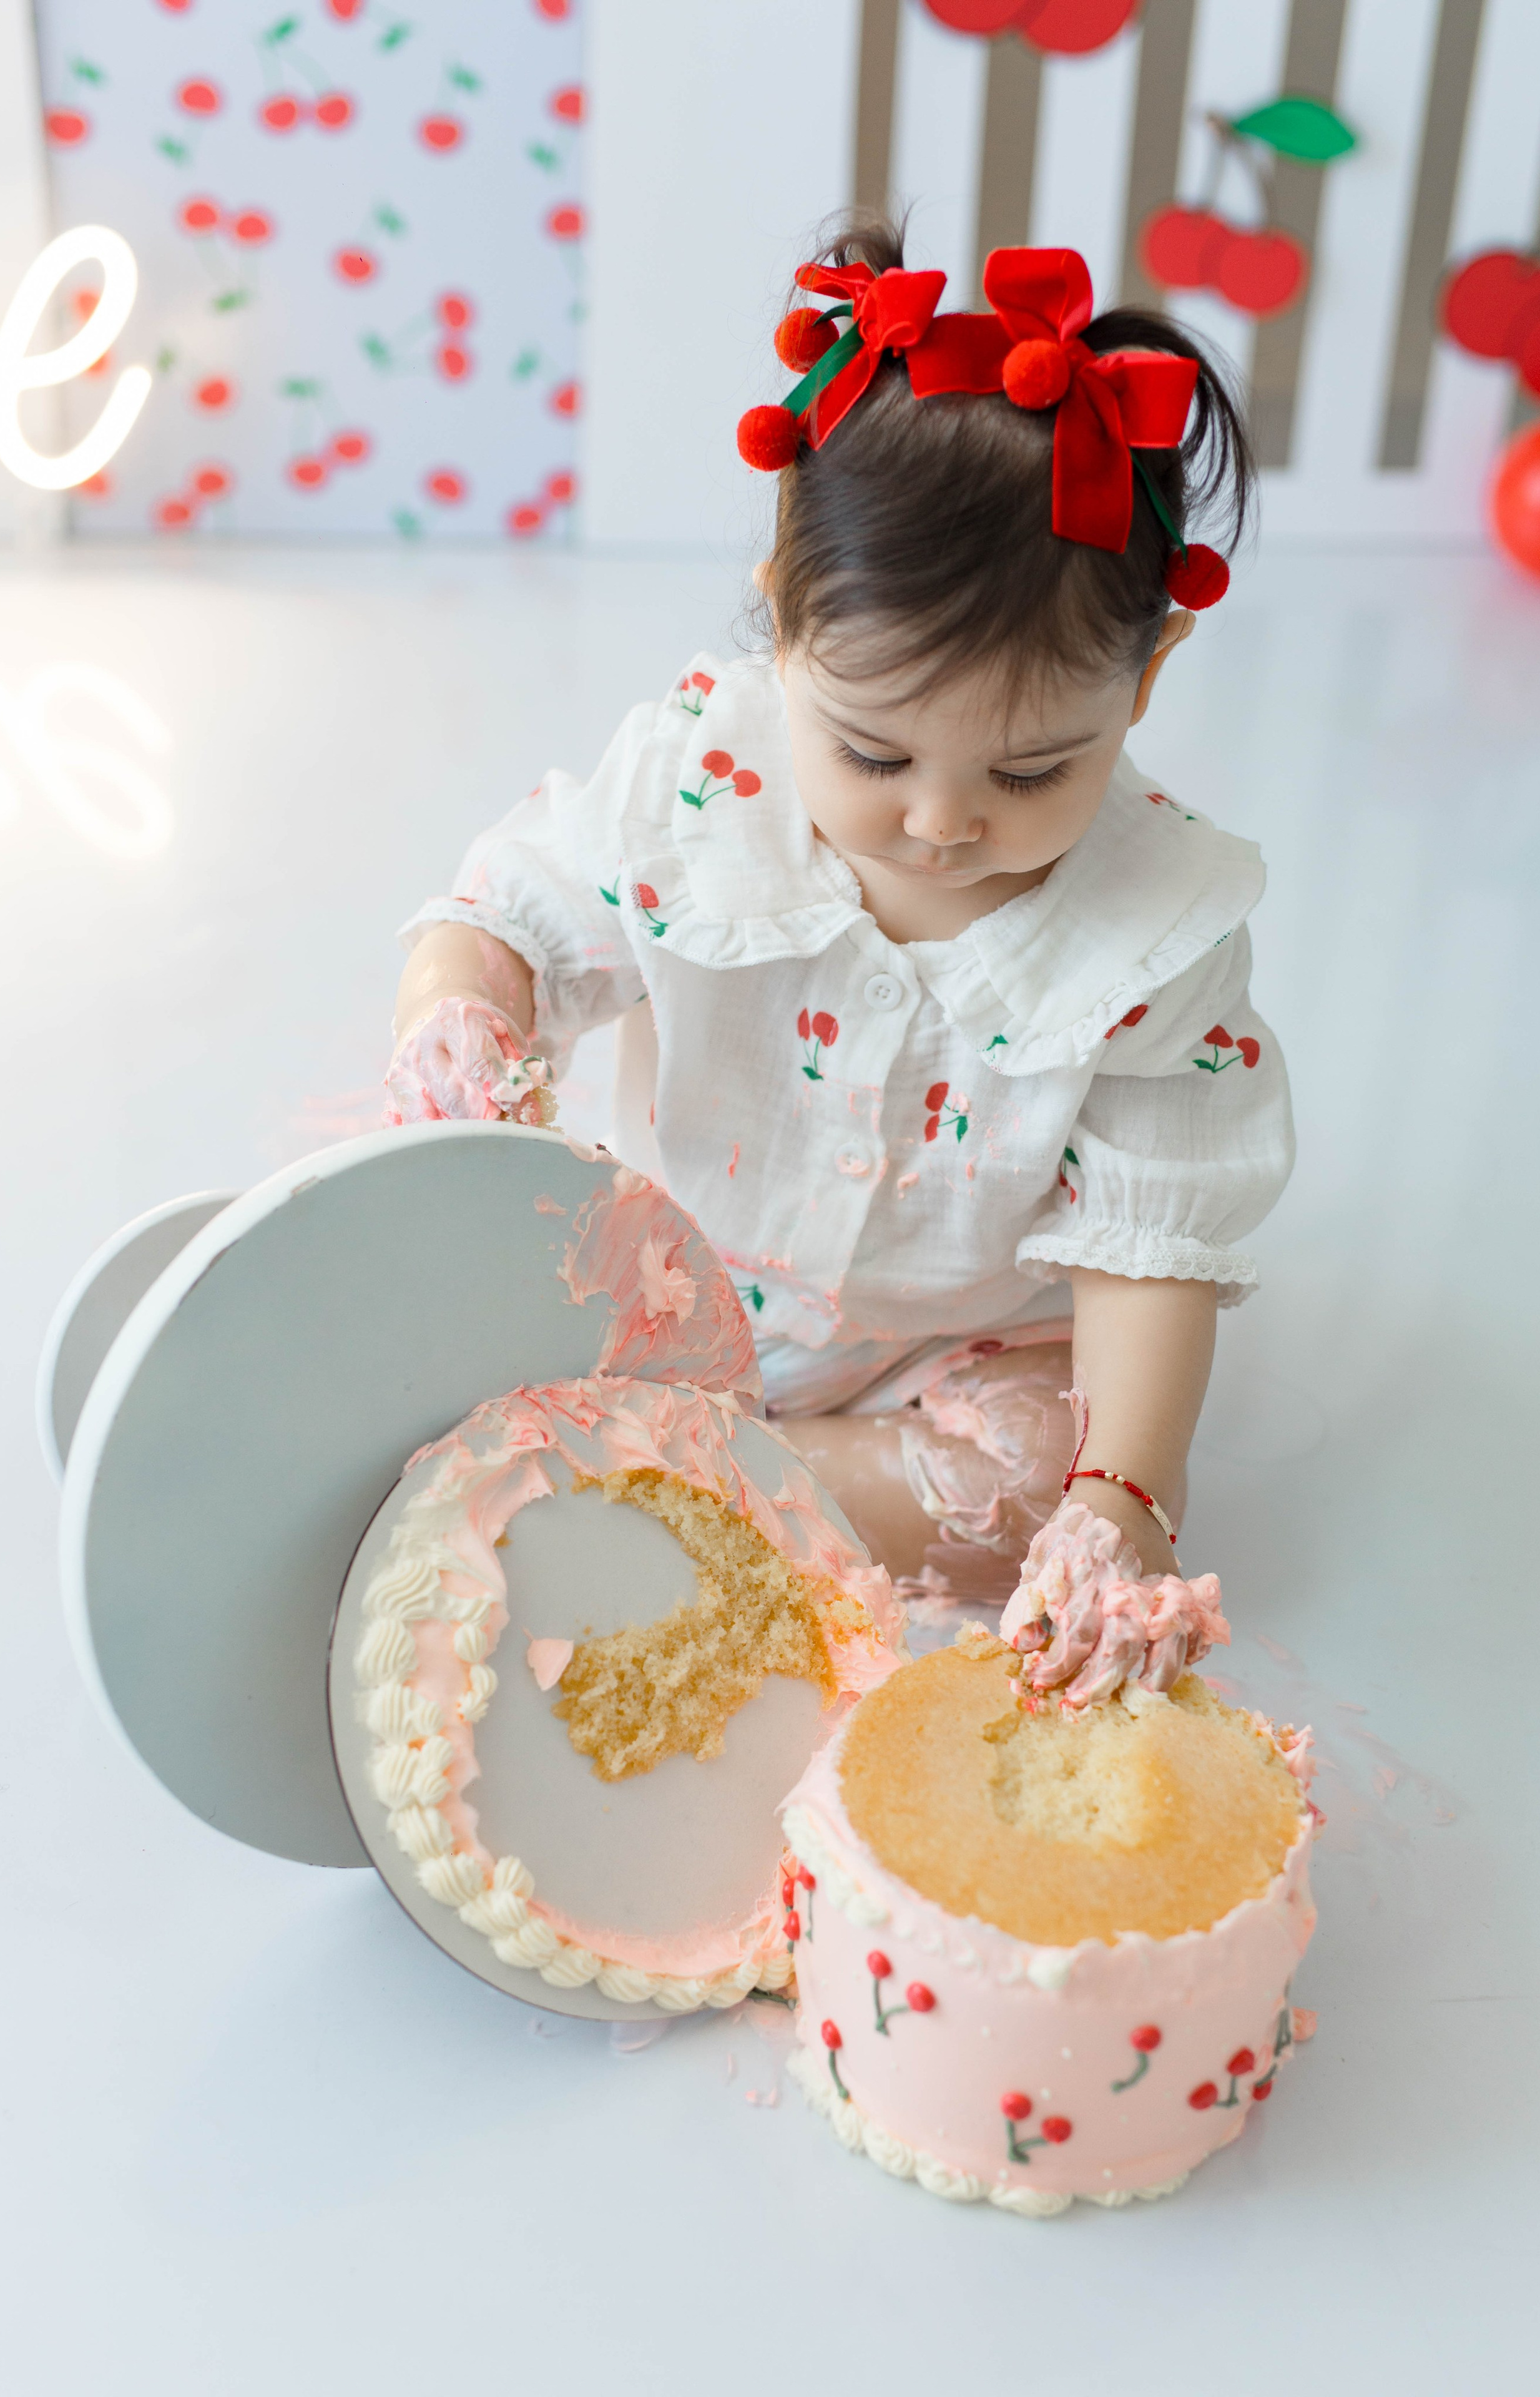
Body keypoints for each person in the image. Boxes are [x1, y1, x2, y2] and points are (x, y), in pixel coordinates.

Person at [385, 218, 1292, 1609]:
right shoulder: (701, 785)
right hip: (669, 1285)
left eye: (1030, 770)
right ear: (783, 628)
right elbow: (506, 913)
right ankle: (654, 1447)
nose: (941, 822)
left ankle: (668, 1480)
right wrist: (464, 1011)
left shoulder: (1152, 934)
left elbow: (1144, 1252)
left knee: (1042, 1478)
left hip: (962, 1343)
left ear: (1147, 674)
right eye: (872, 754)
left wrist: (1124, 1497)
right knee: (441, 1313)